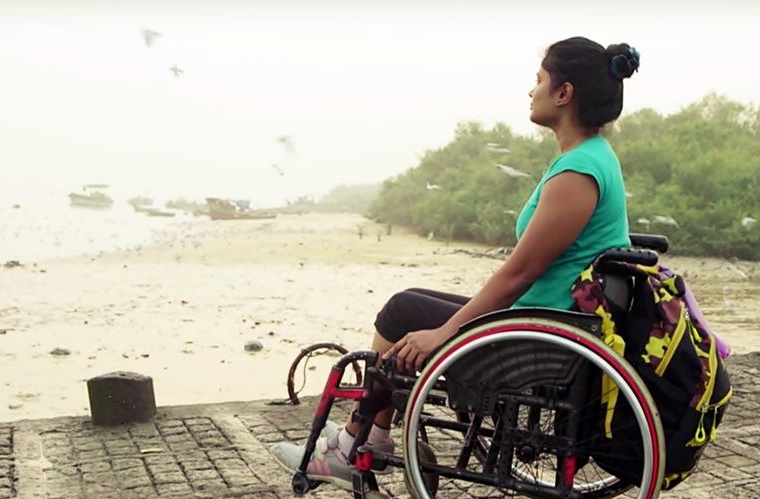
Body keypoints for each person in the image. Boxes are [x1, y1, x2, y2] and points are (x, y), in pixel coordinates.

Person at [271, 36, 640, 490]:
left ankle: (358, 442)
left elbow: (520, 274)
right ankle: (368, 435)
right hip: (545, 320)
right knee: (410, 303)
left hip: (542, 338)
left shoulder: (577, 171)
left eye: (539, 80)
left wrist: (446, 333)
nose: (531, 91)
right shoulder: (590, 159)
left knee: (402, 312)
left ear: (564, 94)